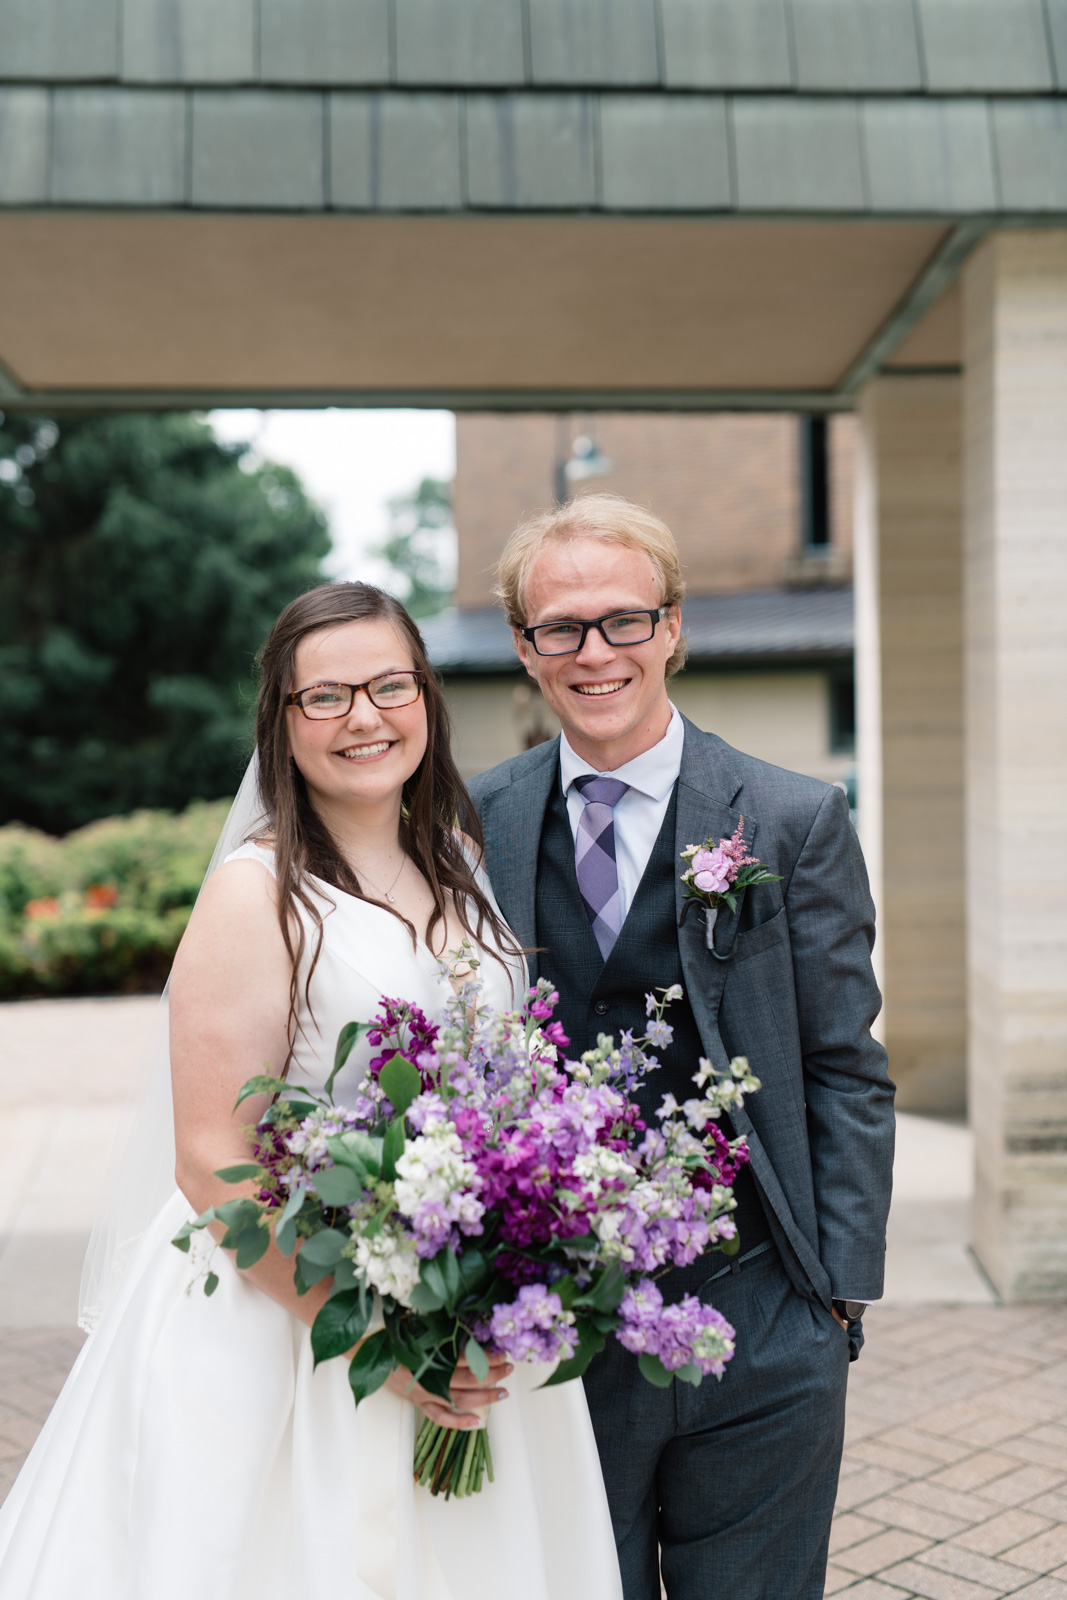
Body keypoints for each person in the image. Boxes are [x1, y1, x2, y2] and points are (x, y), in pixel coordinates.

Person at [0, 582, 622, 1600]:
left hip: (465, 1309)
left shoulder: (458, 862)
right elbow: (210, 1158)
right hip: (296, 1318)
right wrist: (392, 1342)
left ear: (425, 693)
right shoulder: (260, 892)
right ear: (281, 725)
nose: (365, 717)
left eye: (389, 685)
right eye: (326, 696)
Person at [466, 493, 896, 1600]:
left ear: (671, 629)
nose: (592, 650)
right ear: (523, 647)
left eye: (621, 619)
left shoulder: (793, 819)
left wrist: (833, 1297)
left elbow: (844, 1063)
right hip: (551, 1329)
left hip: (756, 1312)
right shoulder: (475, 821)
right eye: (559, 626)